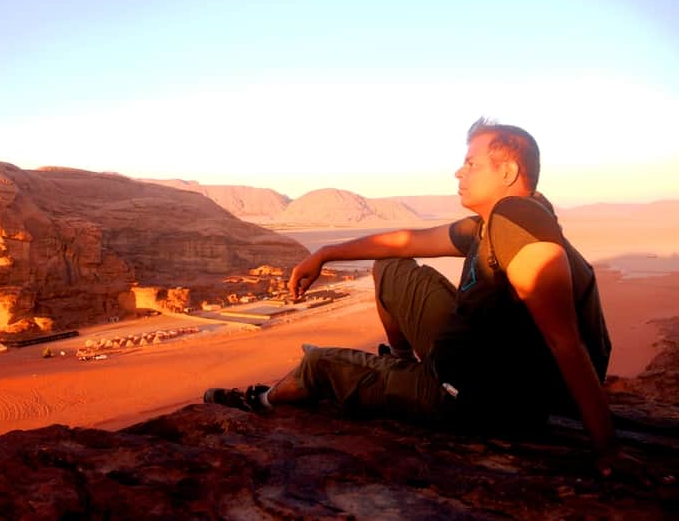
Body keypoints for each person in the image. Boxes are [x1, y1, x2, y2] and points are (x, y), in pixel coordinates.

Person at [204, 118, 641, 478]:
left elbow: (565, 342)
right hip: (474, 358)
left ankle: (259, 401)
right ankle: (403, 364)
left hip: (476, 399)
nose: (458, 172)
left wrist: (606, 449)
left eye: (471, 163)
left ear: (507, 172)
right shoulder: (492, 224)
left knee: (319, 364)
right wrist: (326, 252)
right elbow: (403, 241)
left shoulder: (517, 224)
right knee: (392, 267)